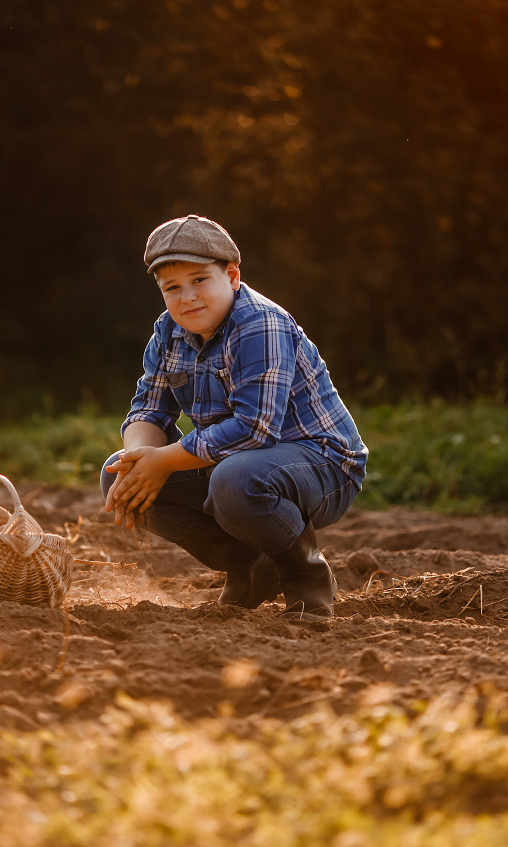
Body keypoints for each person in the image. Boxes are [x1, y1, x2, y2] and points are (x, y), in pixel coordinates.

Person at [100, 215, 368, 620]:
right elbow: (149, 408)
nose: (187, 297)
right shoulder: (168, 333)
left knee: (236, 478)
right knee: (116, 473)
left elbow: (254, 429)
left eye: (199, 280)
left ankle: (306, 575)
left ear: (232, 276)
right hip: (236, 461)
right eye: (172, 287)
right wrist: (139, 459)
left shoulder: (260, 323)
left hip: (322, 462)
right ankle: (249, 567)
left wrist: (166, 459)